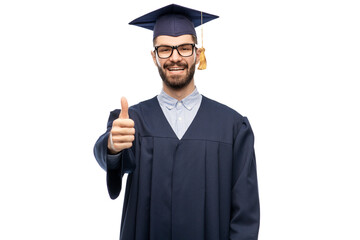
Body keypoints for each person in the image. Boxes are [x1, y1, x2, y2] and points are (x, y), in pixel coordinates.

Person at [94, 4, 260, 240]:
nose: (175, 57)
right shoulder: (132, 122)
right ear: (154, 56)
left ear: (197, 53)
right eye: (164, 49)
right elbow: (111, 155)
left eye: (184, 48)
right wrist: (111, 145)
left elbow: (246, 214)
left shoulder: (232, 127)